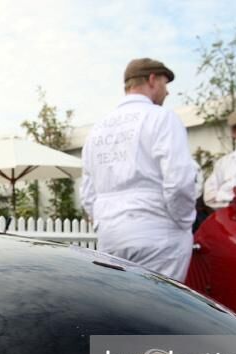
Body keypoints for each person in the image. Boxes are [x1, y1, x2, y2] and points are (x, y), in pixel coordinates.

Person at [80, 58, 197, 281]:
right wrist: (183, 223)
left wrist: (105, 221)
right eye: (165, 83)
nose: (167, 92)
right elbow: (180, 182)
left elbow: (87, 194)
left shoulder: (98, 129)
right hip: (158, 236)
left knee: (120, 308)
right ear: (152, 79)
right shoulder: (163, 118)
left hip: (111, 236)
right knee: (160, 309)